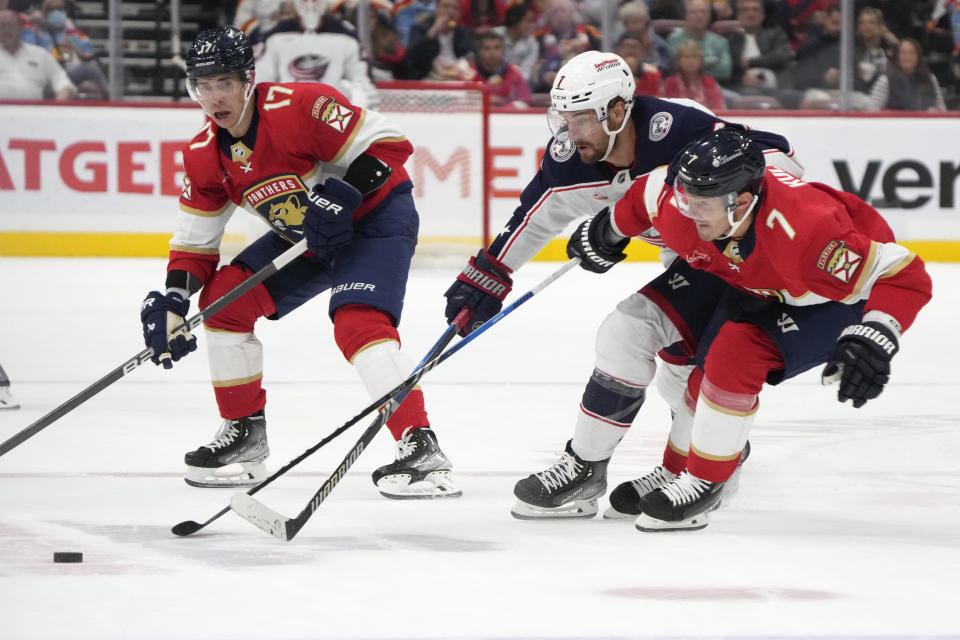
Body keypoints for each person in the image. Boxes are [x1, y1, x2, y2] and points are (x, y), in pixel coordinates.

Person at [441, 50, 802, 519]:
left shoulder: (681, 130)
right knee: (626, 334)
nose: (568, 135)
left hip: (742, 264)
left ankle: (709, 458)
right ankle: (587, 467)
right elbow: (530, 218)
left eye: (579, 120)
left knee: (693, 368)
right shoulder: (570, 159)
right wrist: (488, 276)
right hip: (688, 260)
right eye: (562, 120)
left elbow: (779, 157)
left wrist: (713, 198)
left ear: (616, 111)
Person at [141, 26, 459, 499]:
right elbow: (195, 242)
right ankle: (244, 435)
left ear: (249, 79)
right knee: (223, 304)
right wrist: (171, 299)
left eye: (223, 82)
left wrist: (343, 196)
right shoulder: (204, 155)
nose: (213, 97)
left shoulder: (299, 105)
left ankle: (420, 446)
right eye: (202, 86)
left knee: (358, 323)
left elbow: (390, 144)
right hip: (308, 238)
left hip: (375, 219)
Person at [573, 128, 932, 531]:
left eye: (701, 204)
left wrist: (878, 331)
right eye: (684, 198)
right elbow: (644, 200)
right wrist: (606, 230)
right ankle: (677, 471)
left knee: (734, 355)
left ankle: (708, 481)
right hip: (761, 281)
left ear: (741, 202)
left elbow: (905, 275)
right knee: (705, 372)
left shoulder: (808, 232)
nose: (687, 212)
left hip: (835, 297)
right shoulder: (680, 201)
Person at [255, 0, 379, 108]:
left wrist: (363, 95)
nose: (310, 4)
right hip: (286, 112)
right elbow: (260, 82)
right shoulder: (274, 35)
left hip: (333, 114)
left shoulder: (347, 34)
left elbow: (360, 81)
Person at [20, 0, 108, 99]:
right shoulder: (34, 30)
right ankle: (109, 98)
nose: (56, 12)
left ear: (65, 12)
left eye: (59, 9)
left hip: (68, 72)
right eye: (51, 10)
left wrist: (73, 47)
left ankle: (105, 100)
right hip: (47, 75)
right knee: (90, 71)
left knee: (91, 73)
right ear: (44, 13)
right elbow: (28, 50)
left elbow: (89, 57)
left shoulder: (74, 33)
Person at [0, 8, 75, 100]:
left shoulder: (40, 54)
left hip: (34, 111)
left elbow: (63, 83)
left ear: (20, 27)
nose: (7, 30)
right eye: (2, 26)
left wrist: (57, 107)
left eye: (11, 25)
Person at [723, 0, 793, 97]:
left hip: (779, 88)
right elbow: (726, 69)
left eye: (755, 10)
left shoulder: (775, 35)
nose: (751, 13)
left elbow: (782, 57)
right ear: (738, 16)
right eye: (745, 10)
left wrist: (749, 62)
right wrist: (741, 79)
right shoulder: (730, 40)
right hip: (743, 89)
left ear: (763, 15)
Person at [400, 0, 475, 81]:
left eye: (455, 8)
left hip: (457, 77)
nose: (450, 11)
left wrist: (461, 65)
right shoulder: (420, 28)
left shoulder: (463, 31)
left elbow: (471, 55)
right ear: (436, 8)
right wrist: (433, 31)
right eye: (446, 6)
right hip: (428, 78)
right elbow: (412, 57)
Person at [665, 0, 732, 84]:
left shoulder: (721, 41)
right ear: (686, 16)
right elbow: (678, 68)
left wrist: (695, 68)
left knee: (733, 97)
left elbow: (725, 72)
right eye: (694, 12)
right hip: (681, 86)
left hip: (714, 87)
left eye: (703, 12)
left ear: (709, 16)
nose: (699, 15)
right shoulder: (675, 38)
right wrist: (711, 61)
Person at [472, 30, 531, 107]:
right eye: (487, 48)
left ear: (503, 50)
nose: (492, 52)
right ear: (480, 51)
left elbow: (524, 102)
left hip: (506, 117)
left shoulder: (515, 73)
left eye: (496, 48)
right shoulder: (470, 73)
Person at [885, 38, 946, 111]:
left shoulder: (930, 79)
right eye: (903, 53)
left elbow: (942, 109)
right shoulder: (885, 80)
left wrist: (935, 111)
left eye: (912, 53)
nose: (908, 56)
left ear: (918, 57)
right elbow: (872, 110)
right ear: (897, 56)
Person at [663, 40, 725, 110]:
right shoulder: (670, 83)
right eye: (686, 57)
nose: (691, 61)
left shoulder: (710, 82)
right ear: (678, 61)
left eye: (695, 57)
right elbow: (666, 108)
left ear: (701, 60)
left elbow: (718, 107)